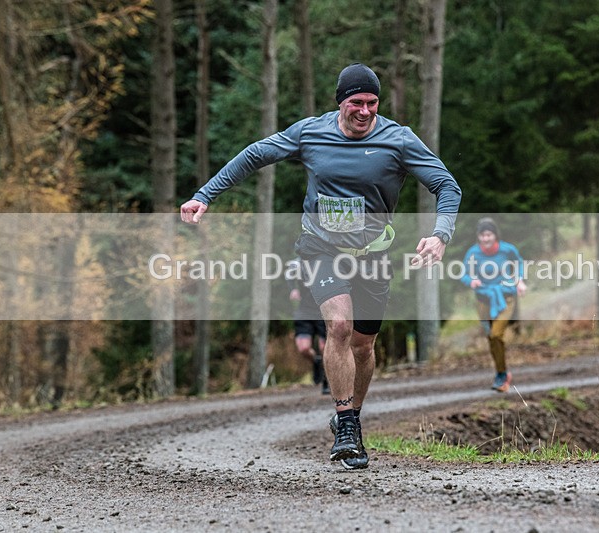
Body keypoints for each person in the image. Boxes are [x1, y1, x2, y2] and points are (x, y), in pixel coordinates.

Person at [180, 63, 461, 470]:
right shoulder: (311, 132)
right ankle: (347, 426)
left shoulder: (398, 139)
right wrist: (205, 195)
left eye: (372, 103)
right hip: (320, 248)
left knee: (364, 347)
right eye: (356, 103)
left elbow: (445, 184)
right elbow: (257, 154)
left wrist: (440, 234)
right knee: (340, 326)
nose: (365, 111)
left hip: (373, 256)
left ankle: (349, 417)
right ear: (340, 103)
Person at [460, 217, 526, 392]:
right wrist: (471, 281)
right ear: (478, 237)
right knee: (491, 338)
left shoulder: (507, 250)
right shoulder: (473, 253)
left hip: (506, 297)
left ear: (495, 235)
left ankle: (502, 375)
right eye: (482, 235)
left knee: (496, 334)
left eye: (488, 235)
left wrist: (519, 280)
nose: (485, 239)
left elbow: (519, 263)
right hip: (484, 300)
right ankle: (501, 374)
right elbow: (464, 274)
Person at [286, 257, 329, 395]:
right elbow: (289, 272)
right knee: (303, 348)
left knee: (325, 348)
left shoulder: (328, 260)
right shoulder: (300, 262)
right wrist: (292, 289)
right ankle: (317, 362)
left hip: (323, 309)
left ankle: (327, 380)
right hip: (304, 310)